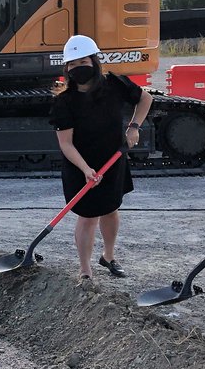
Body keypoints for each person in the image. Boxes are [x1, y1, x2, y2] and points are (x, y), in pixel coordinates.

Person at [49, 34, 153, 284]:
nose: (77, 68)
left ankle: (108, 256)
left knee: (110, 209)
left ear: (94, 62)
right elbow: (66, 143)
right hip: (80, 166)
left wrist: (134, 127)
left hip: (113, 159)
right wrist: (86, 169)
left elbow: (145, 98)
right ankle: (85, 270)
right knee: (87, 216)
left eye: (82, 61)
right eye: (72, 64)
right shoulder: (64, 102)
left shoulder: (114, 85)